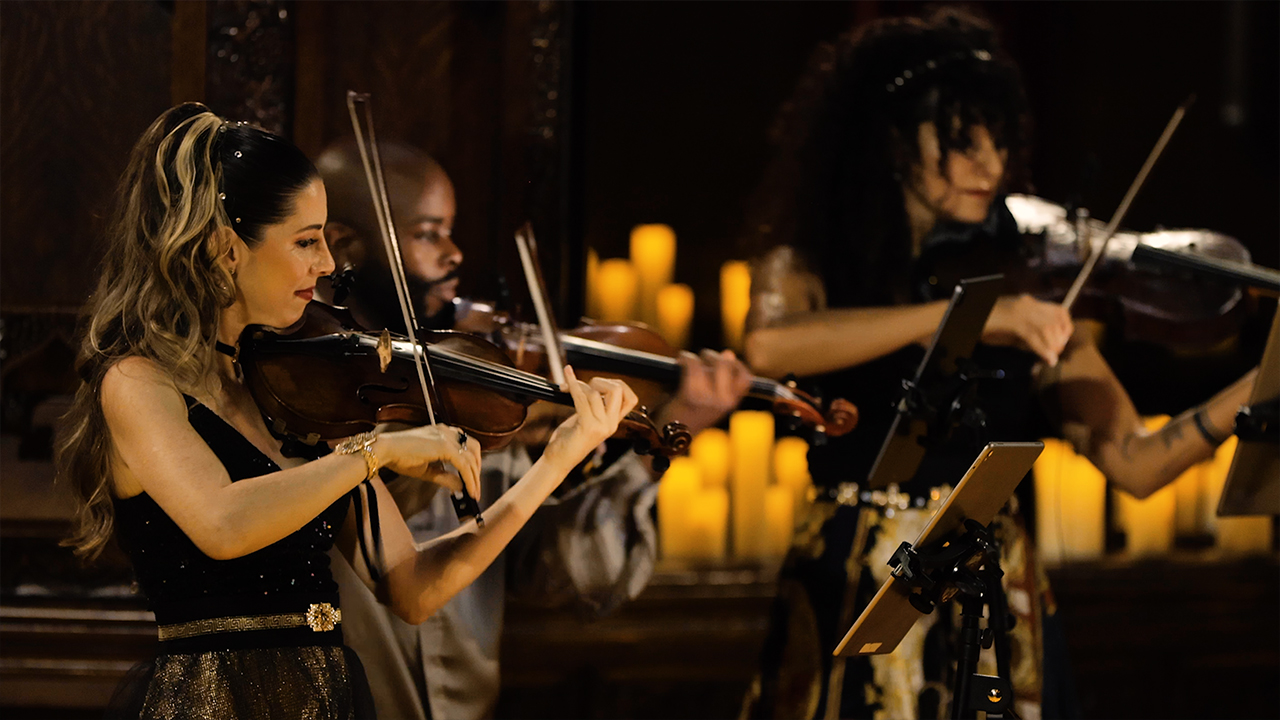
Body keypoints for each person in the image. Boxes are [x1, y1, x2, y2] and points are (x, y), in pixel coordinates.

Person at [738, 10, 1259, 720]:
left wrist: (1260, 387)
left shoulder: (1024, 288)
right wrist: (966, 315)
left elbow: (1137, 464)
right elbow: (768, 345)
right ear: (894, 143)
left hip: (991, 599)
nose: (990, 164)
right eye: (960, 141)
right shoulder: (810, 265)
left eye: (998, 141)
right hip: (855, 582)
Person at [56, 102, 639, 719]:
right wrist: (377, 451)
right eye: (306, 241)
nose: (328, 265)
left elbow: (414, 588)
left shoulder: (299, 393)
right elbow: (223, 524)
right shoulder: (138, 383)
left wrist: (557, 458)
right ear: (228, 251)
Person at [314, 138, 754, 719]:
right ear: (343, 247)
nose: (454, 253)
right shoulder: (306, 394)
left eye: (451, 229)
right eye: (427, 233)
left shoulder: (477, 393)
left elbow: (562, 576)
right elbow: (388, 545)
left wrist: (658, 442)